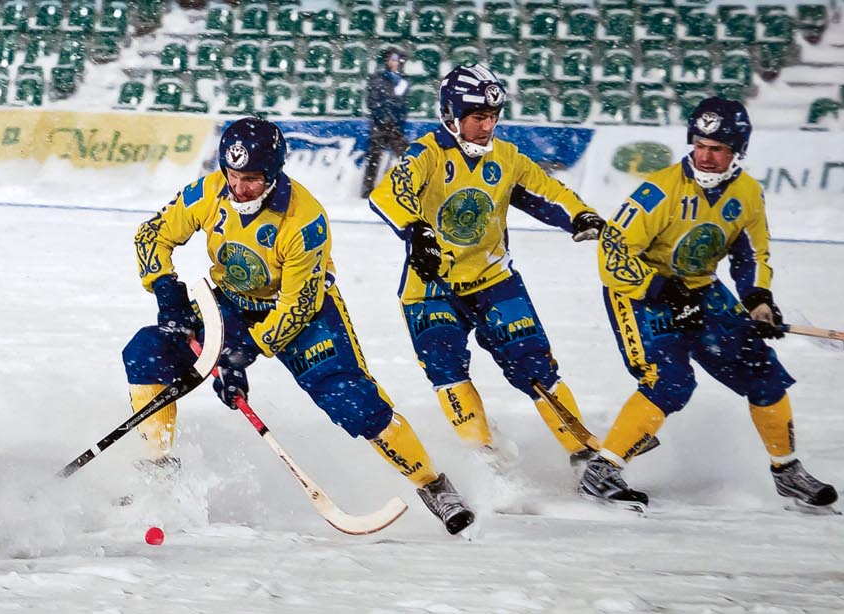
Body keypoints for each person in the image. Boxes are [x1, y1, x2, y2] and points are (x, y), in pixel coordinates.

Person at [122, 117, 475, 535]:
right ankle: (159, 474)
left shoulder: (304, 220)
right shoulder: (210, 191)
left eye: (251, 179)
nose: (239, 188)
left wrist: (236, 356)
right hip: (232, 304)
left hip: (308, 315)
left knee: (355, 403)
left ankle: (433, 485)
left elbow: (296, 306)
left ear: (272, 174)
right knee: (147, 352)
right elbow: (152, 234)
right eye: (233, 176)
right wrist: (167, 291)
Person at [581, 97, 837, 512]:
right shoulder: (660, 190)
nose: (706, 155)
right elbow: (613, 255)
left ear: (738, 151)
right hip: (642, 291)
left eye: (717, 148)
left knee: (763, 371)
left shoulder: (748, 193)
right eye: (699, 144)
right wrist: (664, 291)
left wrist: (759, 302)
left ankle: (787, 470)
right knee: (671, 380)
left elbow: (751, 254)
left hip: (701, 287)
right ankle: (603, 470)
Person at [368, 65, 608, 470]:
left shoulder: (507, 157)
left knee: (534, 365)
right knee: (447, 369)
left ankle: (586, 455)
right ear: (451, 114)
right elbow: (389, 194)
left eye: (493, 117)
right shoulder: (425, 153)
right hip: (431, 287)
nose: (487, 126)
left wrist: (581, 215)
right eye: (478, 117)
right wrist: (417, 232)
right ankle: (485, 460)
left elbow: (548, 192)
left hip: (495, 280)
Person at [361, 48, 410, 198]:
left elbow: (404, 104)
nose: (394, 63)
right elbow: (372, 102)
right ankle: (367, 190)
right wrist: (383, 115)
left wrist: (398, 118)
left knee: (407, 157)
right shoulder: (377, 79)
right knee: (374, 158)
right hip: (380, 124)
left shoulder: (403, 81)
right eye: (391, 59)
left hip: (395, 126)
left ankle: (410, 187)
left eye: (396, 60)